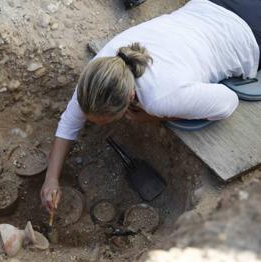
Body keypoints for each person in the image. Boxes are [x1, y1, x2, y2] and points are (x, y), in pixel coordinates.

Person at [40, 0, 261, 213]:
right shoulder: (104, 66)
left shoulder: (159, 100)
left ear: (131, 98)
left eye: (106, 120)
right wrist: (51, 179)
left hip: (251, 32)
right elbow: (70, 121)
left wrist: (158, 117)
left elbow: (228, 102)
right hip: (212, 5)